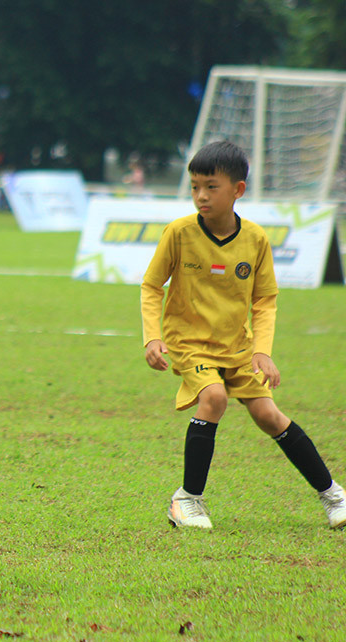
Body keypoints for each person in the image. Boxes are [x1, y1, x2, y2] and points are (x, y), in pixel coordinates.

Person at [141, 140, 346, 530]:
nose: (201, 195)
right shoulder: (179, 233)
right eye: (195, 186)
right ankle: (187, 500)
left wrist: (261, 352)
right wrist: (153, 337)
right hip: (190, 343)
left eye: (211, 186)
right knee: (214, 397)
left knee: (269, 415)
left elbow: (265, 300)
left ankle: (332, 494)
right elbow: (152, 286)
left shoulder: (255, 240)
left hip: (237, 348)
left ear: (238, 189)